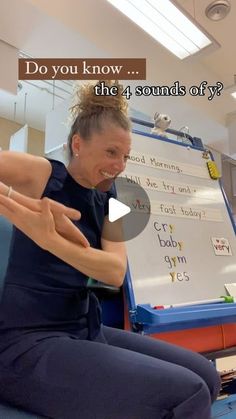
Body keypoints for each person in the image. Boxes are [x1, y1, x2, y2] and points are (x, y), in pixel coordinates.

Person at [0, 80, 220, 419]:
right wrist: (15, 202)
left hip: (83, 330)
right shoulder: (44, 175)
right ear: (77, 144)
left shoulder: (115, 200)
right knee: (187, 395)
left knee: (206, 375)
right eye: (111, 152)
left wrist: (50, 240)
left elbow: (113, 270)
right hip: (25, 343)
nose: (119, 165)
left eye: (126, 156)